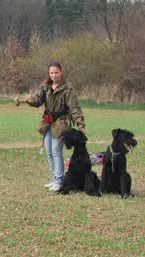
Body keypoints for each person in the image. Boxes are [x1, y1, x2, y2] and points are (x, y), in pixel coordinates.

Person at [15, 62, 86, 192]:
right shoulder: (46, 86)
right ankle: (54, 179)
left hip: (61, 123)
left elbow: (75, 108)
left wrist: (80, 125)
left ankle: (59, 181)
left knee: (56, 151)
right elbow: (37, 100)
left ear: (61, 72)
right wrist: (25, 100)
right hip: (48, 122)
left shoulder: (67, 89)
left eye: (56, 72)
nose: (54, 75)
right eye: (51, 73)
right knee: (49, 152)